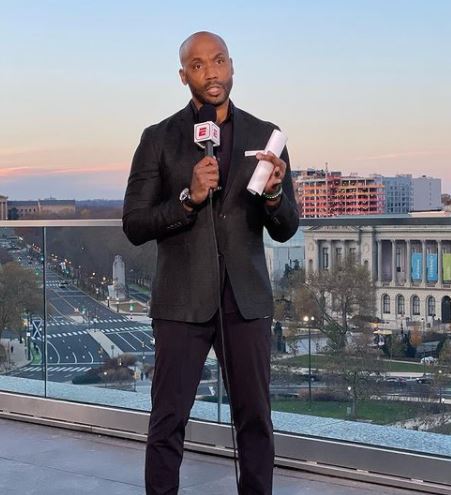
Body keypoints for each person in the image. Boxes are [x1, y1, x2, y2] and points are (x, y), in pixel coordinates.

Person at [123, 31, 299, 495]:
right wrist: (188, 198)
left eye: (218, 61)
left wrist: (277, 193)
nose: (212, 72)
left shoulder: (267, 136)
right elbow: (135, 223)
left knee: (256, 421)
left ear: (233, 66)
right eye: (198, 65)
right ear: (184, 76)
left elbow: (286, 227)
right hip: (181, 304)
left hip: (246, 302)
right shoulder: (157, 138)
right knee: (167, 424)